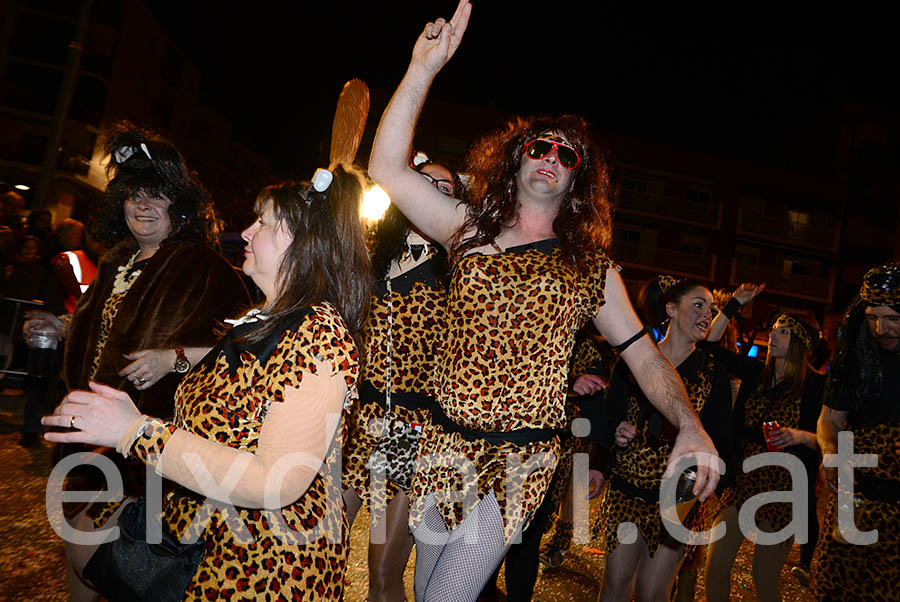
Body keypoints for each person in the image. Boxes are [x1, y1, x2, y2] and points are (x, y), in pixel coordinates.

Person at [367, 3, 719, 600]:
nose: (551, 158)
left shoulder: (591, 269)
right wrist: (421, 70)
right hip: (440, 443)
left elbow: (645, 359)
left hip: (518, 460)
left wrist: (690, 425)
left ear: (577, 180)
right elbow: (386, 169)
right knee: (425, 590)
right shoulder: (467, 229)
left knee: (444, 596)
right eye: (540, 147)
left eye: (567, 156)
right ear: (517, 157)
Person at [43, 164, 372, 601]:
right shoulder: (268, 318)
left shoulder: (318, 334)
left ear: (298, 241)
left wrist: (137, 431)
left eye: (264, 222)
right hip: (202, 531)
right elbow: (243, 362)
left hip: (261, 565)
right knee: (84, 537)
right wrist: (172, 359)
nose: (248, 232)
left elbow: (277, 480)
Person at [23, 124, 250, 547]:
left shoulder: (205, 269)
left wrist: (173, 359)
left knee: (118, 562)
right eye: (133, 194)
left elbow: (243, 354)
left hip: (149, 451)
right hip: (87, 437)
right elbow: (109, 332)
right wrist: (62, 326)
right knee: (80, 554)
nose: (143, 205)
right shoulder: (116, 260)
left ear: (179, 204)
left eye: (156, 194)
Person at [342, 155, 456, 602]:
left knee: (384, 572)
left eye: (444, 189)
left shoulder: (459, 268)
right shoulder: (370, 252)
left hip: (417, 430)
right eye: (424, 181)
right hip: (359, 421)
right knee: (320, 543)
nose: (431, 191)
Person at [591, 276, 733, 602]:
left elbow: (722, 442)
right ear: (671, 308)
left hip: (678, 500)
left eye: (711, 309)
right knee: (614, 585)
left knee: (653, 593)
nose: (707, 314)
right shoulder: (636, 362)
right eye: (698, 305)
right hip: (627, 491)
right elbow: (608, 418)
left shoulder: (713, 374)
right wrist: (617, 435)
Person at [703, 285, 824, 602]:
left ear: (798, 342)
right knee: (715, 566)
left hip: (784, 489)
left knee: (764, 578)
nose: (773, 336)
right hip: (742, 480)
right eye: (773, 329)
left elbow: (829, 440)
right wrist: (732, 306)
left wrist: (798, 436)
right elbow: (711, 345)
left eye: (782, 331)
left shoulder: (814, 386)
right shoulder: (757, 372)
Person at [811, 261, 900, 602]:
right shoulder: (855, 358)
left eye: (893, 318)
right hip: (854, 502)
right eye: (873, 317)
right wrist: (830, 450)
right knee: (833, 591)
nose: (882, 328)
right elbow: (828, 420)